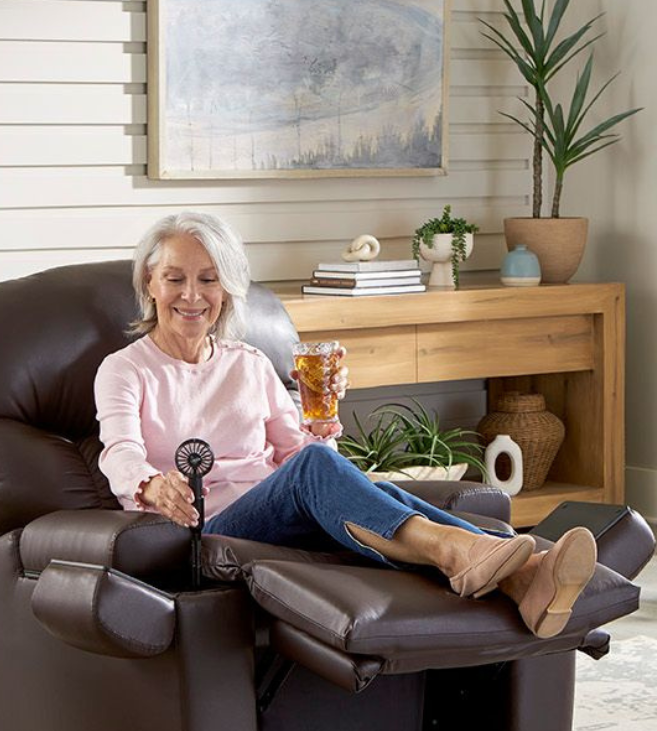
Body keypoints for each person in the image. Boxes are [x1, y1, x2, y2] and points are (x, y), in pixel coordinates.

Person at [95, 212, 597, 638]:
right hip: (212, 531)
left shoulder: (247, 363)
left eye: (208, 279)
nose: (192, 295)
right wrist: (152, 484)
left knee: (373, 492)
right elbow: (119, 450)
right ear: (149, 283)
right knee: (332, 475)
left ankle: (524, 576)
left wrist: (323, 424)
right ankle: (466, 551)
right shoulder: (127, 369)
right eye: (175, 278)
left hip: (282, 515)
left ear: (226, 289)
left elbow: (301, 457)